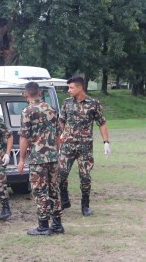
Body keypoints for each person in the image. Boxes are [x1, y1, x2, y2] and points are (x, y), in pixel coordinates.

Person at [58, 75, 111, 216]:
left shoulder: (94, 103)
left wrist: (106, 142)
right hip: (67, 145)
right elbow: (61, 122)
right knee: (61, 174)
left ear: (80, 87)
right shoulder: (66, 103)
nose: (68, 90)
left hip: (85, 147)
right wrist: (57, 140)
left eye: (71, 87)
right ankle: (64, 200)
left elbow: (101, 123)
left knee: (85, 177)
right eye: (68, 87)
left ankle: (85, 205)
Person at [17, 82, 64, 236]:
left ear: (26, 94)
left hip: (37, 158)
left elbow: (24, 137)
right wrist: (56, 153)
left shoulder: (27, 111)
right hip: (52, 157)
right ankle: (57, 225)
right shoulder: (52, 109)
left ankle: (43, 226)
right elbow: (58, 135)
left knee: (39, 191)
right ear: (39, 92)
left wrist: (21, 159)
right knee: (53, 189)